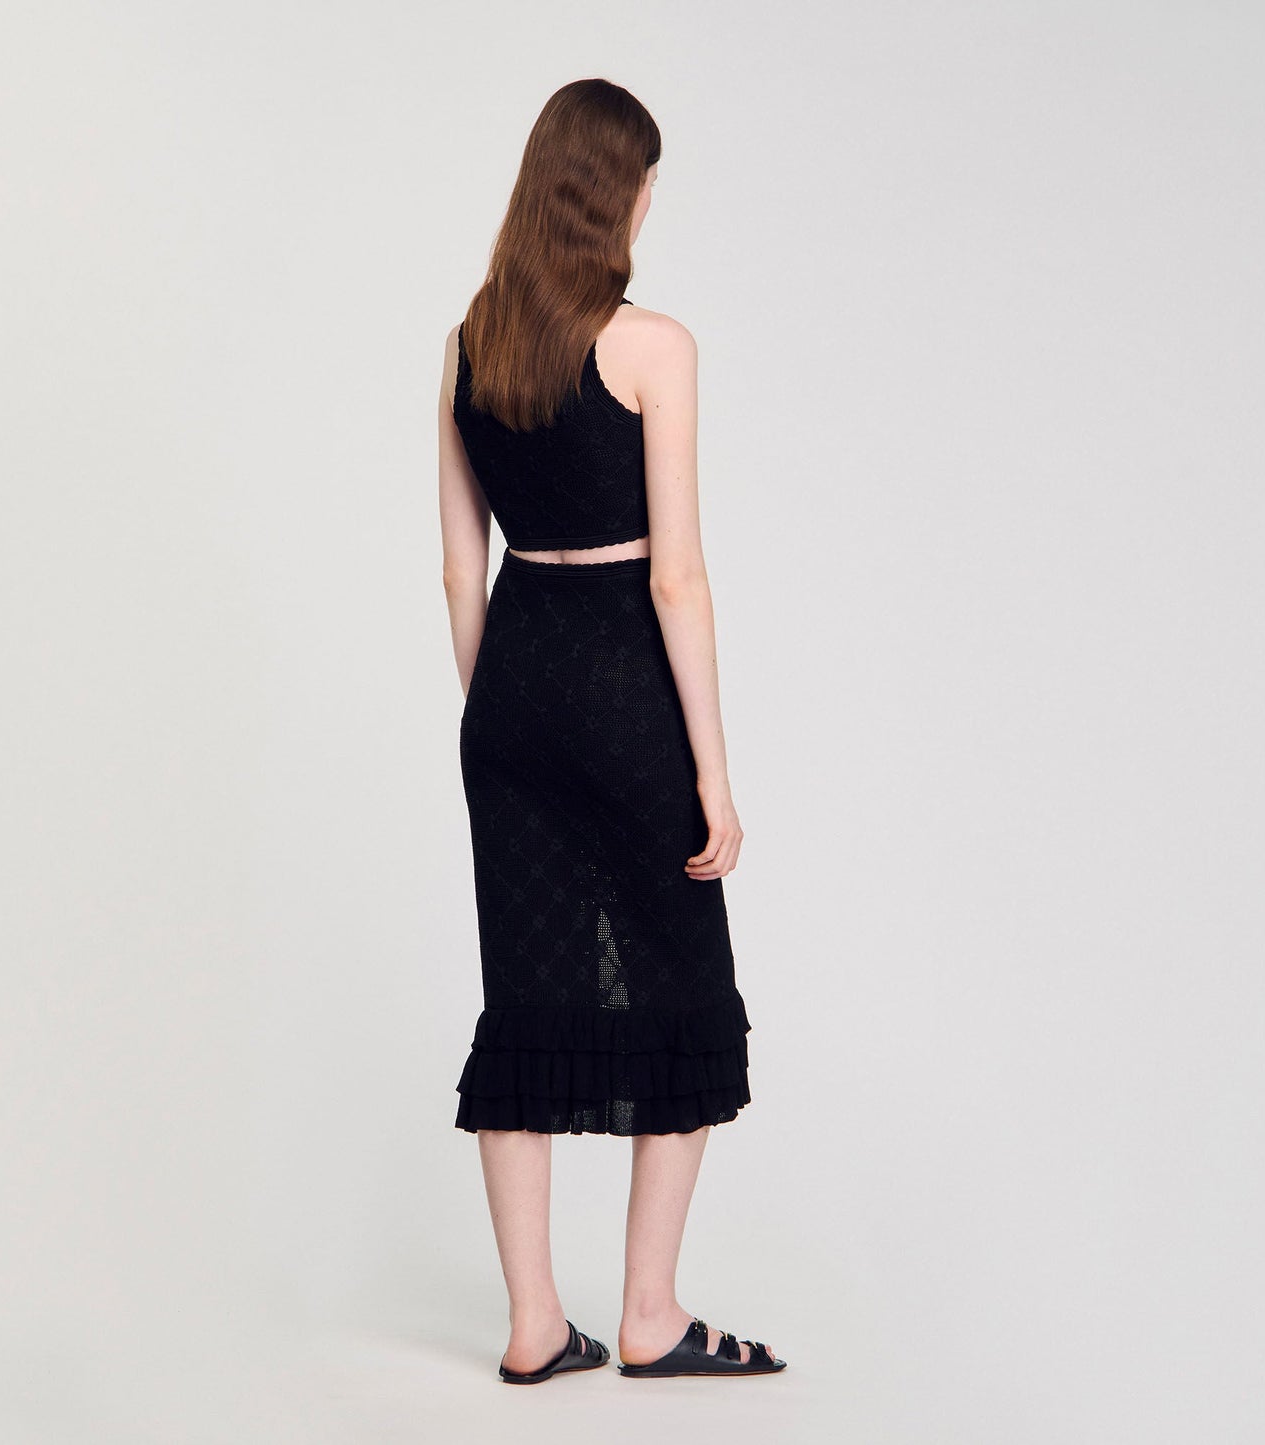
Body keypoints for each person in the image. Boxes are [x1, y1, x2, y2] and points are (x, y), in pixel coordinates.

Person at [437, 78, 785, 1385]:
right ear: (618, 194)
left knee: (525, 991)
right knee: (682, 978)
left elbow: (459, 569)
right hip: (623, 685)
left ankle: (535, 1326)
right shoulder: (654, 347)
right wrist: (714, 773)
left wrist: (500, 717)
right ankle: (647, 1313)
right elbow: (676, 578)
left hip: (512, 685)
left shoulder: (469, 345)